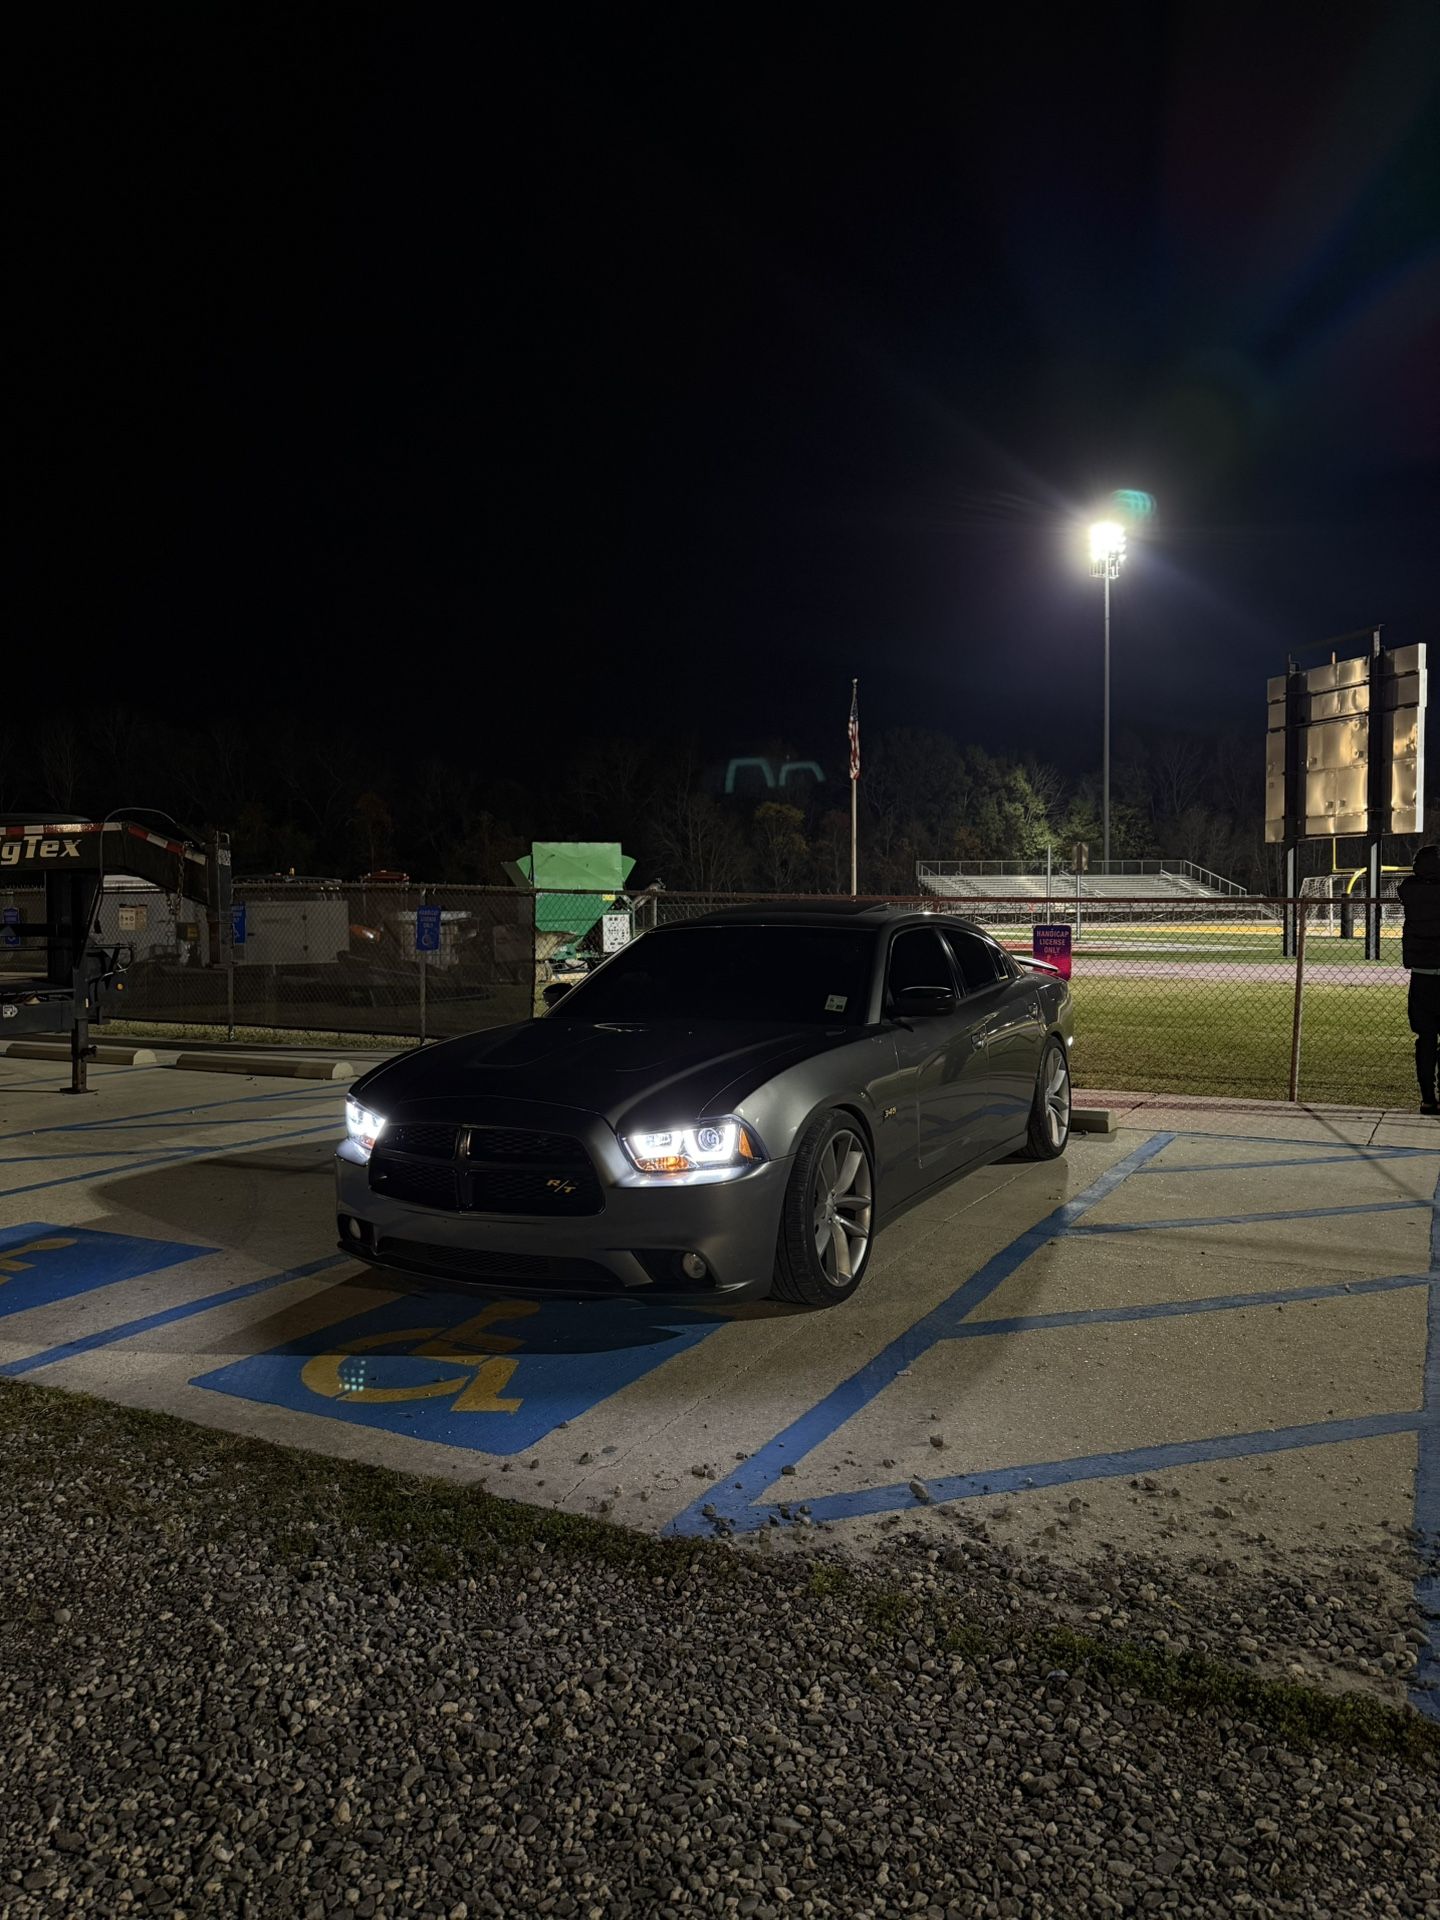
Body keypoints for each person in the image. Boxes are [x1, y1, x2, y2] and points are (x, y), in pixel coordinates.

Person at [1398, 846, 1440, 1113]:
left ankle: (1427, 1097)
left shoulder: (1409, 889)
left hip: (1422, 975)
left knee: (1425, 1038)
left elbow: (1407, 887)